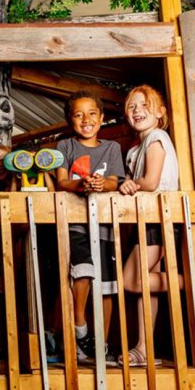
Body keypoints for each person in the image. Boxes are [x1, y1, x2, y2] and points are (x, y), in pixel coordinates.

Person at [55, 91, 125, 366]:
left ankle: (100, 344)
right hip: (74, 221)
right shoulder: (65, 146)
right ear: (70, 120)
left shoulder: (111, 148)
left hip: (104, 223)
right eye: (79, 114)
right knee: (81, 271)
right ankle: (80, 329)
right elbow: (62, 182)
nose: (86, 119)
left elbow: (114, 181)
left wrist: (100, 184)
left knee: (106, 285)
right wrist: (82, 184)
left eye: (92, 113)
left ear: (102, 118)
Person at [119, 84, 182, 367]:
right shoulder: (136, 148)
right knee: (146, 288)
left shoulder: (157, 137)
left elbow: (151, 182)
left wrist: (130, 185)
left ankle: (189, 281)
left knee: (131, 280)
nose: (137, 111)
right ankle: (144, 348)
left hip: (158, 216)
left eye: (144, 105)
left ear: (160, 112)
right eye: (132, 106)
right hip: (144, 217)